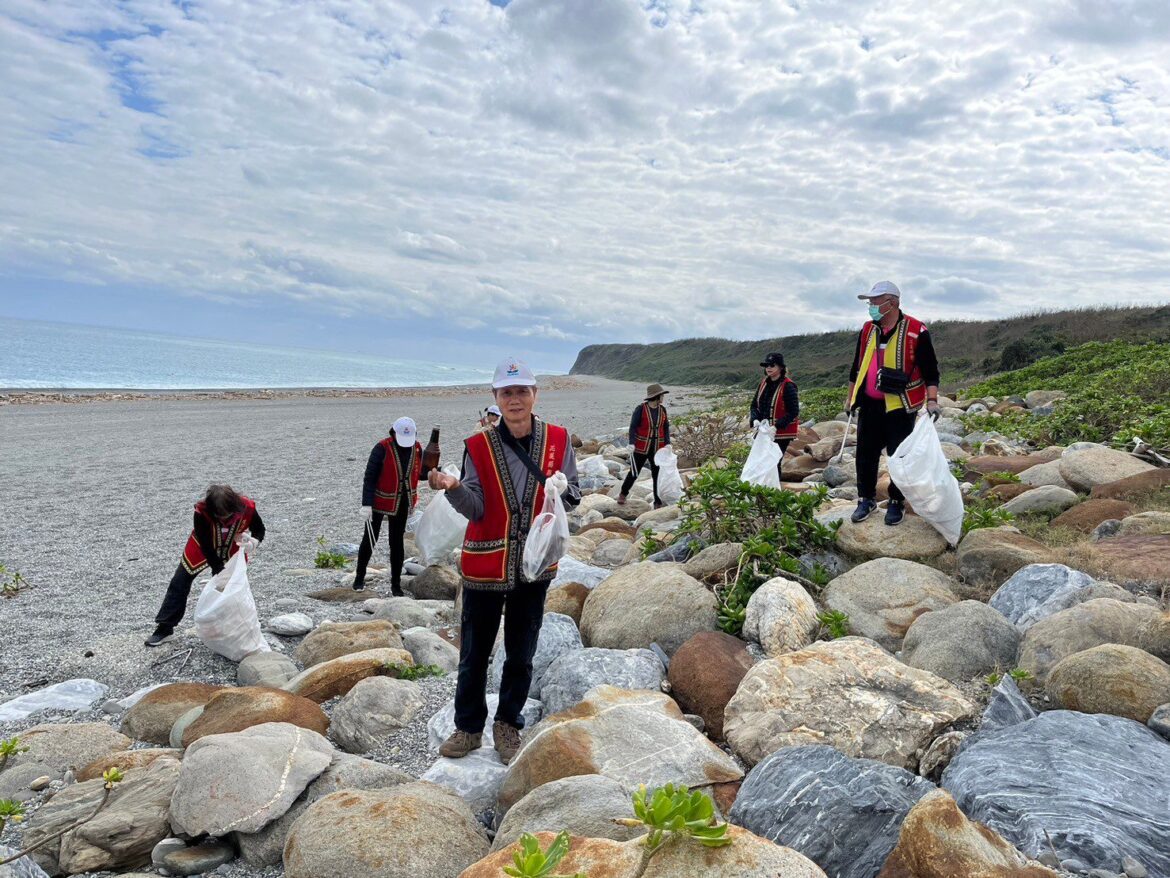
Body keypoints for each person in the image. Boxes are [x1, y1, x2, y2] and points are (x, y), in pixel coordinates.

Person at [428, 357, 580, 765]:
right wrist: (454, 488)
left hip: (535, 564)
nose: (515, 399)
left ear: (535, 394)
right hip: (486, 563)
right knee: (474, 652)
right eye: (507, 392)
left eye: (522, 391)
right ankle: (468, 728)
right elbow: (475, 508)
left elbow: (574, 494)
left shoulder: (559, 439)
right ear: (495, 398)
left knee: (521, 650)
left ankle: (508, 724)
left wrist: (561, 492)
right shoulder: (476, 446)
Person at [845, 281, 941, 526]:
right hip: (870, 403)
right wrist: (850, 397)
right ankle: (865, 499)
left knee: (899, 456)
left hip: (901, 405)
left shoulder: (916, 331)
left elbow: (931, 370)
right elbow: (856, 367)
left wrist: (932, 401)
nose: (872, 306)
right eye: (871, 302)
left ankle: (896, 502)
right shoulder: (868, 329)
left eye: (876, 302)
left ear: (893, 303)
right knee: (865, 454)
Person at [146, 484, 265, 646]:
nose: (224, 519)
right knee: (179, 581)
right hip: (202, 547)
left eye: (227, 515)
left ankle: (232, 628)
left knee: (231, 588)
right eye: (219, 516)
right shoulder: (201, 511)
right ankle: (165, 628)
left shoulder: (247, 507)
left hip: (232, 548)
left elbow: (260, 529)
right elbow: (205, 543)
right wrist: (218, 570)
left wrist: (253, 543)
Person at [355, 416, 431, 595]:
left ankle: (396, 584)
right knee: (369, 540)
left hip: (403, 501)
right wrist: (366, 504)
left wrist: (438, 472)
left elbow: (418, 473)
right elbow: (370, 477)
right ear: (393, 433)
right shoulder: (381, 448)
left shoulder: (417, 448)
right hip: (380, 500)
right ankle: (359, 577)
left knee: (396, 543)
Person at [618, 383, 671, 508]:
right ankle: (623, 493)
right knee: (634, 473)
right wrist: (631, 443)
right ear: (657, 396)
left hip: (658, 448)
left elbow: (666, 427)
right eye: (662, 395)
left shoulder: (662, 410)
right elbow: (633, 427)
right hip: (641, 447)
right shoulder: (640, 409)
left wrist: (668, 444)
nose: (663, 397)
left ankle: (657, 501)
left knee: (657, 474)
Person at [750, 352, 800, 481]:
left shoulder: (788, 386)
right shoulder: (763, 384)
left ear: (781, 368)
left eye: (772, 365)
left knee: (773, 461)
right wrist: (755, 419)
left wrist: (776, 426)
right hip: (762, 429)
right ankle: (762, 488)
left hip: (781, 432)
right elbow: (754, 405)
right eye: (766, 365)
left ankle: (773, 490)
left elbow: (793, 411)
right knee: (760, 461)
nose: (768, 368)